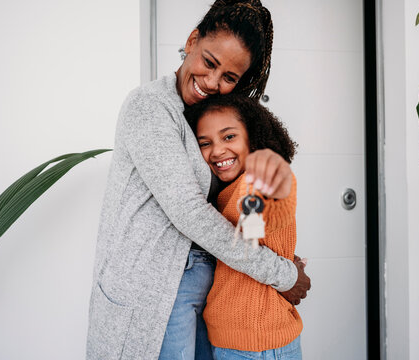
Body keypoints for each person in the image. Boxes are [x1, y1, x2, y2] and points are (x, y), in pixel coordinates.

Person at [86, 1, 310, 359]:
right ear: (192, 41)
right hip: (156, 289)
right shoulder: (150, 107)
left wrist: (274, 250)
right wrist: (280, 273)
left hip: (212, 292)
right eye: (209, 62)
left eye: (229, 77)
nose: (212, 82)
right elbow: (190, 211)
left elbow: (245, 209)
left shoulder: (210, 120)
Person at [185, 93, 302, 359]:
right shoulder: (224, 192)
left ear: (254, 136)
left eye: (229, 137)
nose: (217, 150)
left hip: (259, 345)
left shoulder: (250, 184)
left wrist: (270, 186)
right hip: (234, 340)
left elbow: (259, 217)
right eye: (205, 143)